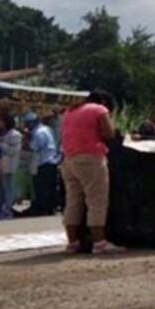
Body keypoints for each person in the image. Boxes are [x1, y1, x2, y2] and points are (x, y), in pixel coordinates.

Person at [60, 91, 116, 254]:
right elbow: (109, 133)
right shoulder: (99, 109)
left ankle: (72, 242)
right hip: (91, 158)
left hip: (69, 159)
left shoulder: (69, 111)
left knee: (73, 201)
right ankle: (99, 243)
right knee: (96, 200)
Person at [24, 113, 61, 217]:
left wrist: (26, 142)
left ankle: (42, 208)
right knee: (50, 186)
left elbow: (33, 147)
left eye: (28, 123)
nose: (27, 126)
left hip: (43, 162)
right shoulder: (47, 129)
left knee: (41, 188)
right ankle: (51, 207)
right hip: (52, 160)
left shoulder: (38, 133)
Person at [0, 114, 23, 219]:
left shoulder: (15, 134)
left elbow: (13, 151)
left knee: (7, 187)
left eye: (0, 121)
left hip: (8, 164)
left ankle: (7, 209)